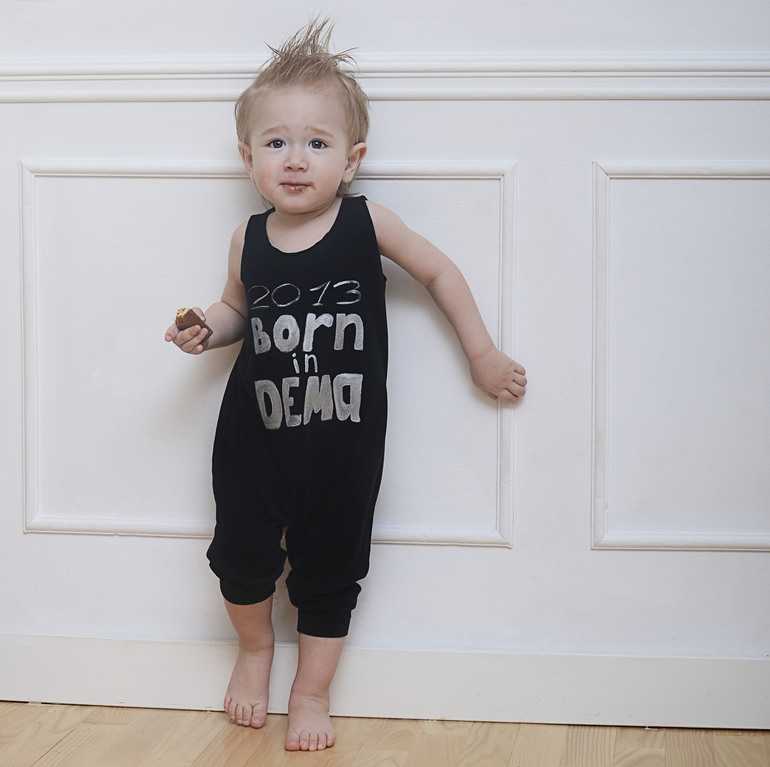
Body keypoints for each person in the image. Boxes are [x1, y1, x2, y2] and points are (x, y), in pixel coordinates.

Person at [165, 18, 526, 752]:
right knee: (240, 558)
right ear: (249, 157)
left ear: (352, 160)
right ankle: (255, 649)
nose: (296, 160)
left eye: (317, 143)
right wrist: (208, 327)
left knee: (331, 574)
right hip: (253, 444)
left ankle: (311, 691)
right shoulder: (248, 238)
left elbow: (439, 272)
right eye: (276, 143)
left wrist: (482, 352)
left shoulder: (367, 224)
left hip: (343, 451)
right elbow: (237, 309)